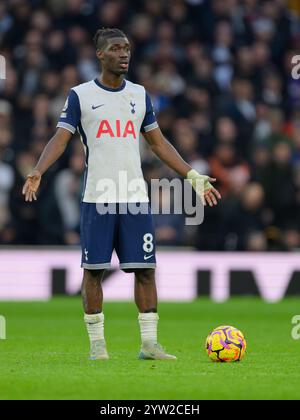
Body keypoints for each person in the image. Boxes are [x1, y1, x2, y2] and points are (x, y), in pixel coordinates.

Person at [22, 28, 221, 360]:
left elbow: (158, 142)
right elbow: (61, 137)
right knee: (94, 270)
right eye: (116, 49)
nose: (124, 54)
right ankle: (98, 345)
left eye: (127, 48)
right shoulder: (80, 95)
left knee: (145, 270)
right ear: (100, 55)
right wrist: (39, 169)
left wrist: (191, 174)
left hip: (134, 197)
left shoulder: (140, 94)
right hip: (97, 198)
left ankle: (149, 344)